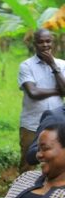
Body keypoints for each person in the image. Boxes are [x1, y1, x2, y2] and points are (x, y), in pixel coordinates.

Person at [18, 28, 65, 173]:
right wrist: (58, 91)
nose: (45, 45)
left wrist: (53, 66)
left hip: (57, 125)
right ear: (34, 44)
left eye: (48, 41)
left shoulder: (62, 65)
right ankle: (22, 192)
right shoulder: (26, 66)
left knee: (56, 162)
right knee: (28, 163)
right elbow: (33, 92)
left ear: (53, 43)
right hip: (32, 124)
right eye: (40, 42)